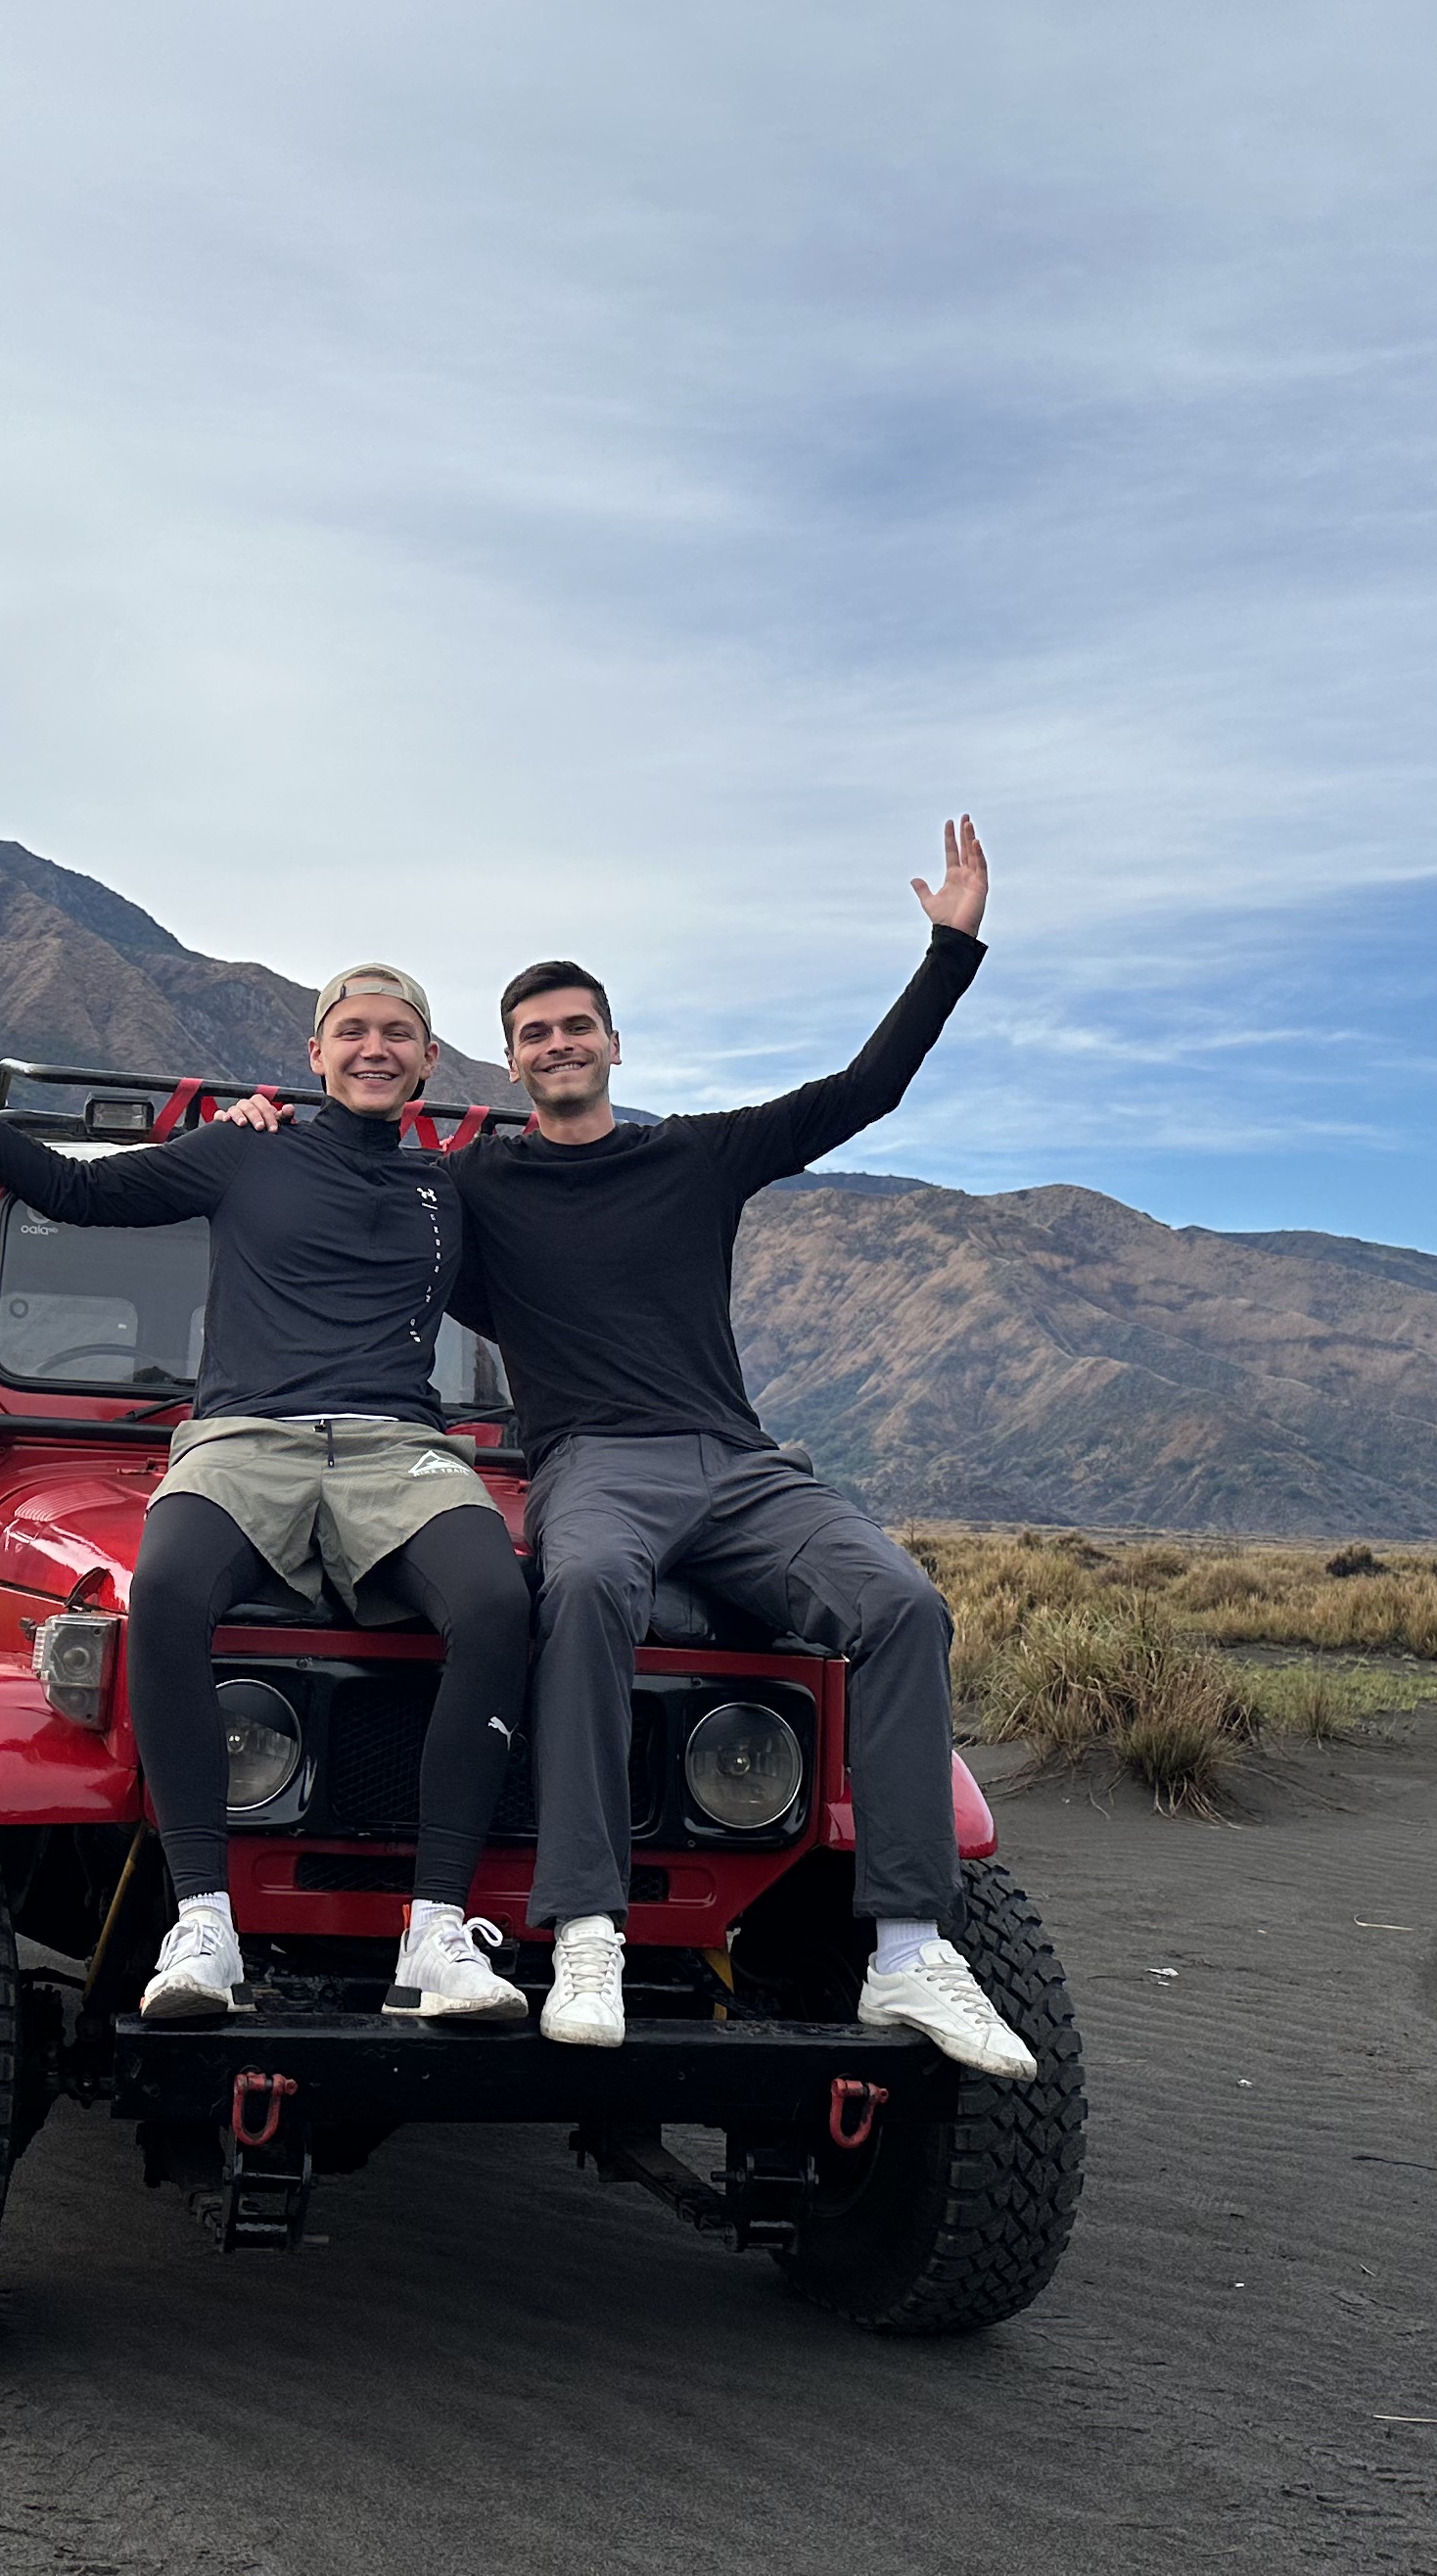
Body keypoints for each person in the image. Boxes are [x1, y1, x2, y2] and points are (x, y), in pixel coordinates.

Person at [454, 818, 1036, 2074]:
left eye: (577, 1027)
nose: (560, 1046)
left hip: (737, 1460)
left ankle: (909, 1952)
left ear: (613, 1042)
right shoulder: (478, 1189)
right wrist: (275, 1144)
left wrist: (949, 950)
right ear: (510, 1062)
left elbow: (863, 1093)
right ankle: (589, 1928)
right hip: (593, 1465)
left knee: (901, 1605)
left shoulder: (697, 1153)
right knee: (592, 1584)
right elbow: (355, 1215)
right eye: (536, 1034)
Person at [0, 966, 534, 2029]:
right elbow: (80, 1194)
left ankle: (436, 1931)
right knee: (162, 1589)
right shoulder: (245, 1154)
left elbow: (566, 1281)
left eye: (398, 1034)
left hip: (400, 1446)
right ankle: (202, 1917)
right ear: (314, 1055)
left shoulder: (449, 1190)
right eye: (351, 1031)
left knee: (497, 1602)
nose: (375, 1048)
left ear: (427, 1058)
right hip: (244, 1436)